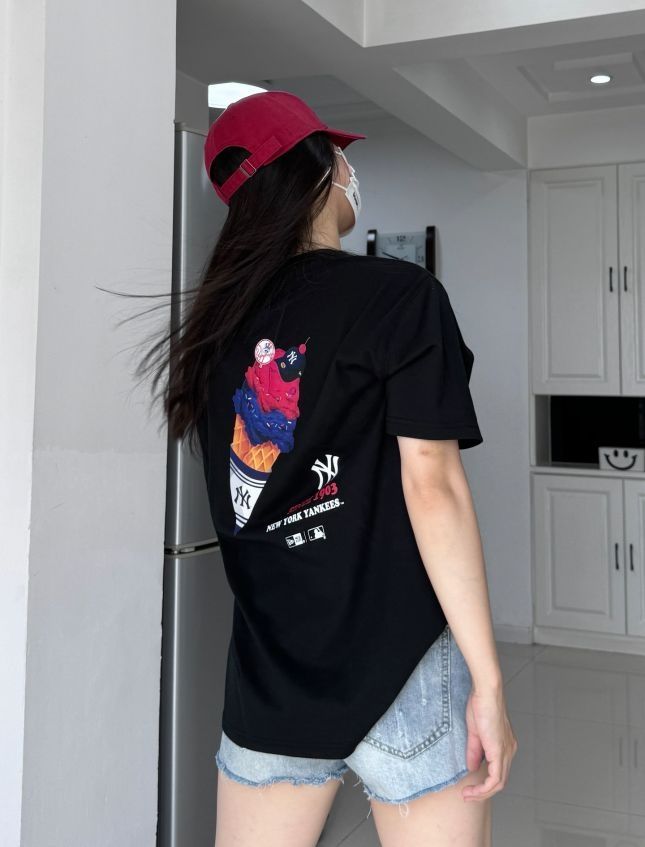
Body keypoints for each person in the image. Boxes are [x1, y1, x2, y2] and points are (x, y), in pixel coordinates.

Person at [160, 90, 518, 846]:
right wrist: (488, 678)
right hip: (403, 663)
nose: (354, 173)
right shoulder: (400, 296)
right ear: (320, 170)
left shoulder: (215, 327)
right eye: (342, 156)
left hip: (270, 671)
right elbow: (432, 484)